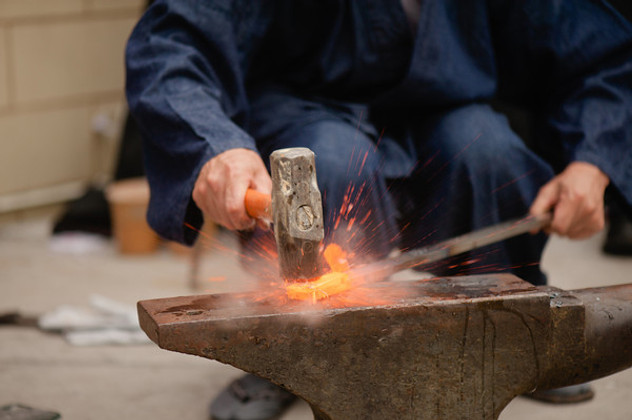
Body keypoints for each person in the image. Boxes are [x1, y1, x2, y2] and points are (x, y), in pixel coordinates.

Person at [126, 1, 632, 419]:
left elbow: (600, 54)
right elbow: (172, 43)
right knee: (333, 165)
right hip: (304, 107)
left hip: (447, 106)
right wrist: (216, 146)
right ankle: (285, 349)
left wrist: (594, 160)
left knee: (489, 153)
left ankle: (509, 333)